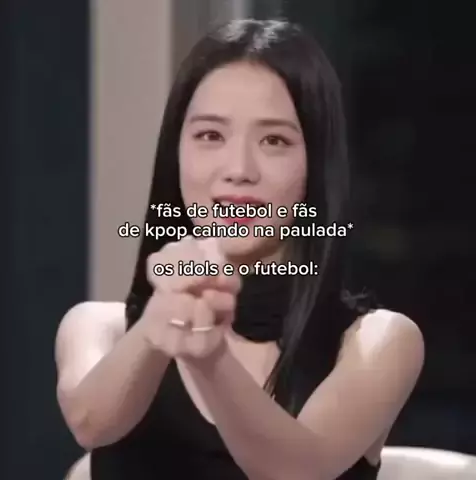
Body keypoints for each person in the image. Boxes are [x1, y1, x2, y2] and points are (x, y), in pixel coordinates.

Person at [55, 19, 425, 480]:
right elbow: (91, 423)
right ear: (176, 153)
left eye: (274, 141)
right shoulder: (99, 327)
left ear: (317, 165)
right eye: (210, 136)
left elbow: (296, 470)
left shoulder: (378, 342)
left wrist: (210, 358)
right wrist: (160, 323)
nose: (238, 169)